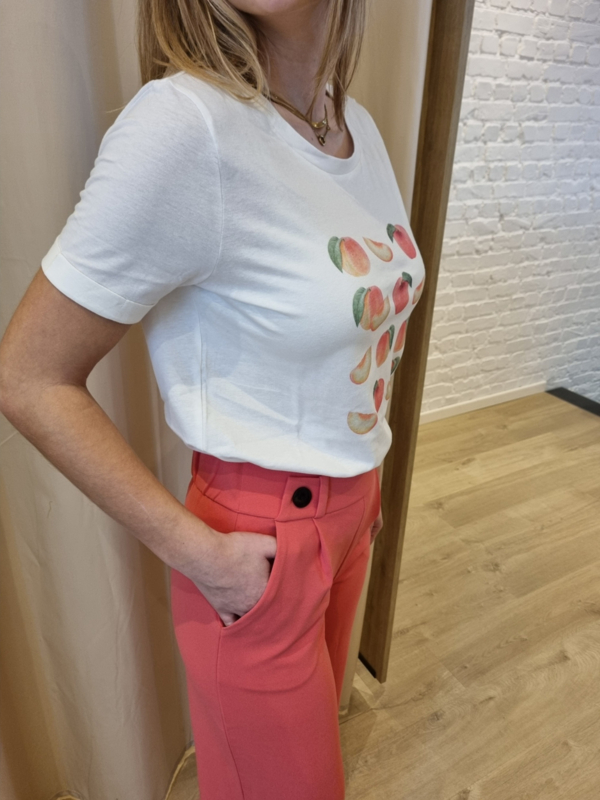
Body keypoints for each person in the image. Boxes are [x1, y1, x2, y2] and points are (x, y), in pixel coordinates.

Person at [0, 0, 426, 797]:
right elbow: (28, 376)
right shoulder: (186, 125)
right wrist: (204, 559)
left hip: (350, 520)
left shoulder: (354, 126)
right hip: (255, 547)